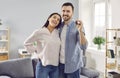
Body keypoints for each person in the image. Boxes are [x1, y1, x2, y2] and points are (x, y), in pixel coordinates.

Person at [24, 12, 62, 78]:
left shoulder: (58, 33)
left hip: (56, 66)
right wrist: (37, 53)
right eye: (54, 17)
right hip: (43, 66)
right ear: (49, 18)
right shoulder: (39, 32)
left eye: (58, 19)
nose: (56, 20)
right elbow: (26, 43)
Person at [59, 2, 88, 78]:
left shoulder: (77, 25)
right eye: (63, 11)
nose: (65, 13)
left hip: (73, 66)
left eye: (68, 11)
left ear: (72, 13)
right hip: (59, 65)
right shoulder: (59, 26)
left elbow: (83, 46)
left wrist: (80, 30)